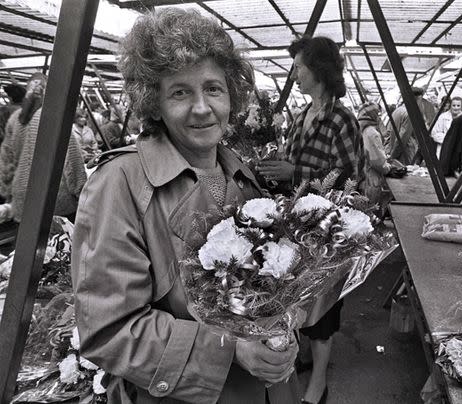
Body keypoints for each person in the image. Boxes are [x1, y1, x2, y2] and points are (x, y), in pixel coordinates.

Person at [71, 9, 299, 403]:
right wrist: (231, 348)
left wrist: (286, 321)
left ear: (231, 95)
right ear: (153, 102)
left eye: (213, 88)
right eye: (180, 92)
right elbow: (108, 329)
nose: (201, 107)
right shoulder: (119, 183)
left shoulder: (240, 172)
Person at [257, 35, 363, 404]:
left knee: (323, 313)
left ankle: (318, 383)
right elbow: (289, 166)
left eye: (299, 67)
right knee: (298, 299)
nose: (294, 74)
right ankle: (303, 360)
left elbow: (352, 179)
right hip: (295, 226)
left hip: (328, 229)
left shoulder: (342, 120)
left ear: (319, 70)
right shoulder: (302, 116)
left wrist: (295, 170)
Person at [0, 73, 86, 223]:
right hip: (54, 201)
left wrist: (9, 195)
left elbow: (6, 162)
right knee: (59, 243)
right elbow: (71, 159)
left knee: (28, 244)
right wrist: (82, 192)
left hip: (22, 202)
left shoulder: (14, 120)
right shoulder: (53, 118)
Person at [357, 101, 394, 218]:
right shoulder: (372, 133)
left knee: (361, 210)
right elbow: (376, 160)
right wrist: (388, 167)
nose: (379, 117)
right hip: (371, 178)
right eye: (378, 114)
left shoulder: (360, 129)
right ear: (372, 115)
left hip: (361, 173)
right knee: (371, 211)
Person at [386, 86, 437, 165]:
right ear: (417, 99)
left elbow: (389, 133)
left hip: (395, 150)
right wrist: (393, 156)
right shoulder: (410, 113)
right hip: (405, 153)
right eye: (421, 100)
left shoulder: (397, 110)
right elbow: (403, 138)